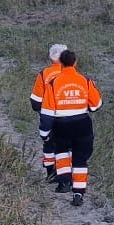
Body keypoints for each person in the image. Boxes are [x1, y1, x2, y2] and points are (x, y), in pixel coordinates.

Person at [40, 49, 103, 206]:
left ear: (60, 63)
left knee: (61, 153)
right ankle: (78, 194)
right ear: (75, 62)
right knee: (80, 159)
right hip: (83, 124)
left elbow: (47, 112)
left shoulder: (53, 83)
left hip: (61, 125)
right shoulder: (85, 80)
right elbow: (96, 105)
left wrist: (44, 133)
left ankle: (64, 183)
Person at [31, 43, 69, 181]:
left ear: (50, 57)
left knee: (49, 143)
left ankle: (50, 172)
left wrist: (42, 111)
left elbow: (36, 101)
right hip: (70, 117)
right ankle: (65, 175)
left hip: (49, 117)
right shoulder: (74, 75)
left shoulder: (44, 74)